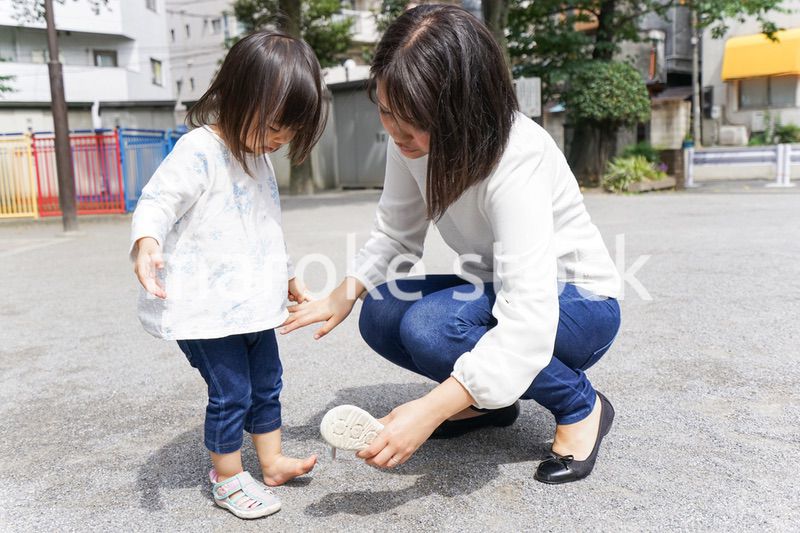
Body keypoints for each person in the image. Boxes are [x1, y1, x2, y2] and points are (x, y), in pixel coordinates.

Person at [282, 5, 622, 485]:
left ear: (464, 108)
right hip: (499, 288)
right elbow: (397, 233)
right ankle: (489, 403)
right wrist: (343, 293)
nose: (396, 133)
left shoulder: (515, 155)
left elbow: (528, 313)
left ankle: (582, 406)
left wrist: (431, 408)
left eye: (413, 120)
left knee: (431, 325)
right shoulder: (414, 142)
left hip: (579, 304)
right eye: (384, 110)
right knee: (380, 312)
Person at [130, 31, 326, 518]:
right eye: (276, 126)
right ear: (239, 96)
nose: (281, 140)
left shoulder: (259, 159)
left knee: (269, 382)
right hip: (204, 309)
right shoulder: (198, 150)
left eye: (291, 133)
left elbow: (265, 225)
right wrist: (146, 241)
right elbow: (158, 201)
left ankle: (272, 461)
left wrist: (286, 276)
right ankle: (228, 477)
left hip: (252, 304)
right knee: (232, 391)